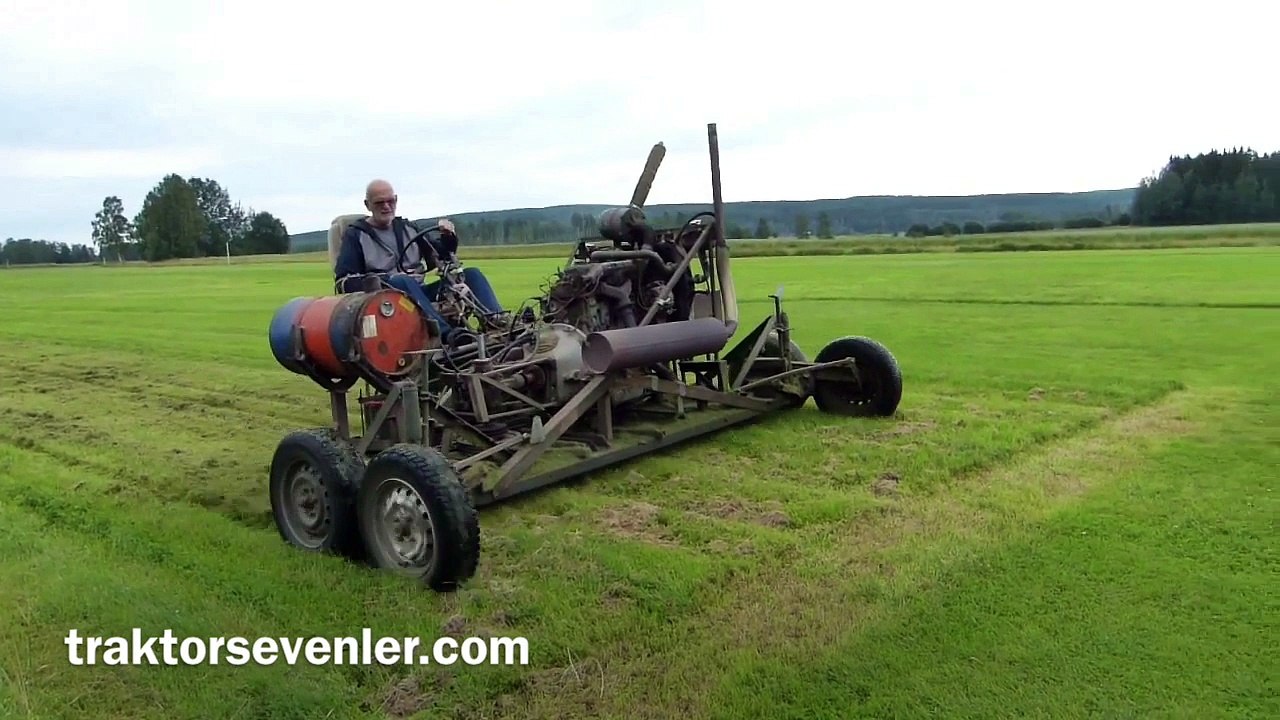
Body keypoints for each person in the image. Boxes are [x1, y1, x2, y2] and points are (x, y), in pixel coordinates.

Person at [333, 179, 505, 341]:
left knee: (472, 274)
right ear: (367, 205)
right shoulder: (356, 235)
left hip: (419, 293)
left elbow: (442, 255)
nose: (386, 206)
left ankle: (498, 323)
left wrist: (448, 237)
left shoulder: (408, 228)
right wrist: (383, 280)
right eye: (379, 203)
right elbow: (344, 282)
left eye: (390, 201)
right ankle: (448, 335)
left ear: (396, 200)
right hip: (386, 301)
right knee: (402, 280)